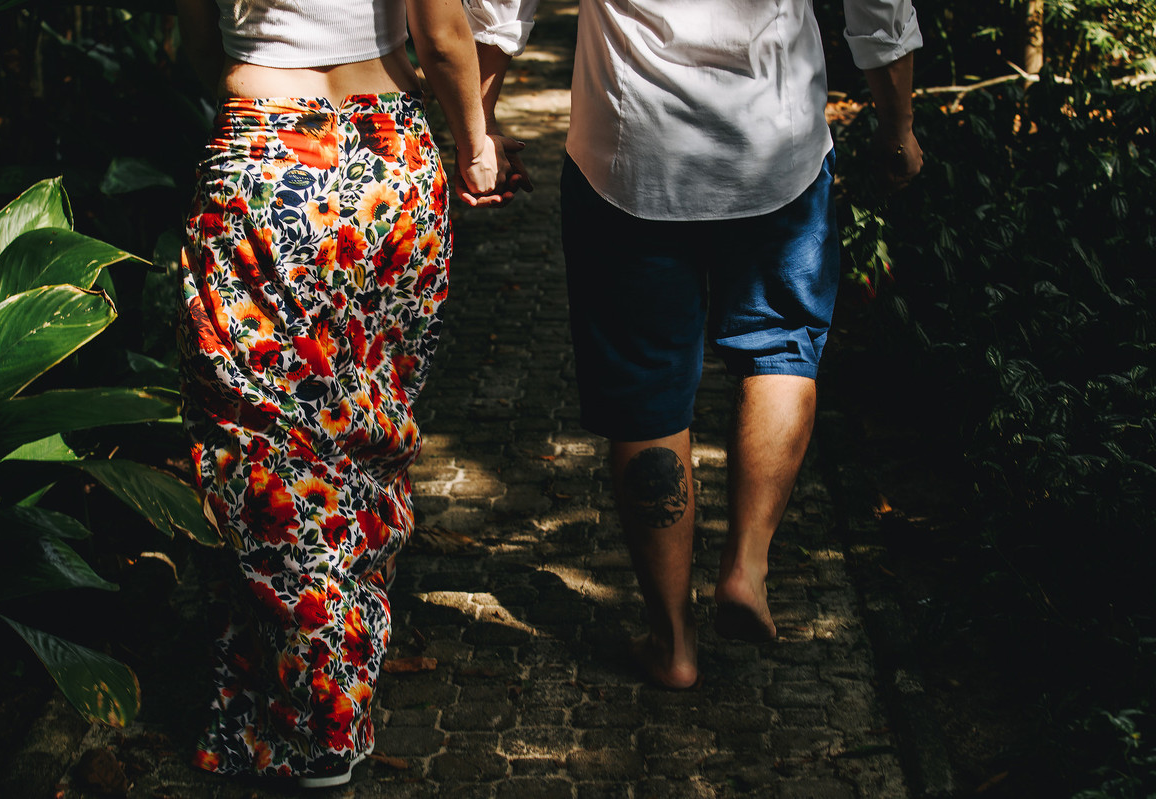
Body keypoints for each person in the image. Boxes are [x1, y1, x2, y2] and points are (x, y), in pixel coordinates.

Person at [466, 0, 923, 689]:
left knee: (644, 382)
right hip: (777, 150)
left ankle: (672, 640)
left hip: (628, 154)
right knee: (781, 346)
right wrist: (899, 127)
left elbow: (501, 7)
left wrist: (480, 125)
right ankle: (747, 564)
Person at [174, 0, 526, 787]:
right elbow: (440, 31)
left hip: (264, 149)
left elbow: (195, 43)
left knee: (262, 433)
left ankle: (312, 707)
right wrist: (475, 145)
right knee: (368, 422)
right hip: (388, 158)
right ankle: (317, 684)